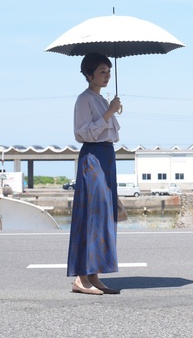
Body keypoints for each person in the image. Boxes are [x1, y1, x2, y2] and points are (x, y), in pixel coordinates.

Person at [67, 52, 122, 295]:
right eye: (102, 71)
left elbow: (111, 133)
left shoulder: (102, 100)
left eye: (108, 71)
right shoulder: (84, 99)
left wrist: (112, 110)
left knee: (104, 216)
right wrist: (109, 113)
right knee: (91, 215)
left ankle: (94, 274)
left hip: (107, 156)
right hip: (92, 157)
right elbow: (82, 133)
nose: (107, 75)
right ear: (89, 74)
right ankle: (81, 278)